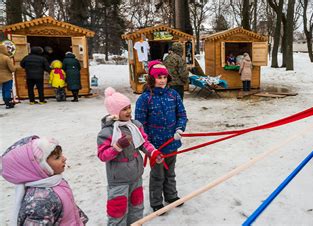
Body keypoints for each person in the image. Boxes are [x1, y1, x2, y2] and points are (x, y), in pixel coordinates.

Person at [97, 87, 161, 225]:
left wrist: (153, 152)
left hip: (135, 176)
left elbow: (144, 143)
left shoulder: (135, 125)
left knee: (137, 208)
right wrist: (117, 147)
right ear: (114, 112)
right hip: (118, 180)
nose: (128, 112)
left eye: (129, 107)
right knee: (118, 212)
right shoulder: (107, 132)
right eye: (124, 109)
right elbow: (103, 155)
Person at [135, 60, 188, 212]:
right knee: (158, 174)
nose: (162, 81)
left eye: (164, 77)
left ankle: (171, 195)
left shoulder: (173, 94)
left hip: (172, 142)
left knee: (170, 172)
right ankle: (156, 201)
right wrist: (147, 145)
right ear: (152, 79)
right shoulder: (145, 99)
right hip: (155, 146)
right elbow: (140, 124)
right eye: (159, 77)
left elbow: (182, 114)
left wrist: (180, 129)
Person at [1, 135, 88, 225]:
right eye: (57, 157)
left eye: (61, 154)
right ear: (40, 167)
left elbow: (69, 208)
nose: (64, 158)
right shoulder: (40, 201)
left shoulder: (56, 182)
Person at [0, 45, 17, 109]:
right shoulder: (6, 58)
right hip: (6, 77)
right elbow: (12, 69)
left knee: (3, 90)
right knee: (7, 90)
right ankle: (8, 103)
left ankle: (5, 101)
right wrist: (15, 67)